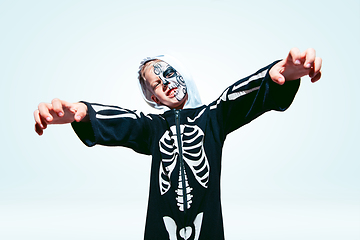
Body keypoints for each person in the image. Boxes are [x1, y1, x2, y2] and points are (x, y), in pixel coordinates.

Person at [34, 48, 322, 240]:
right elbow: (126, 122)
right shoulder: (152, 127)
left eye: (169, 73)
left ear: (183, 73)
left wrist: (275, 76)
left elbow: (238, 96)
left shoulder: (213, 117)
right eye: (157, 84)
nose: (167, 83)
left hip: (207, 228)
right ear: (154, 99)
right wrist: (83, 113)